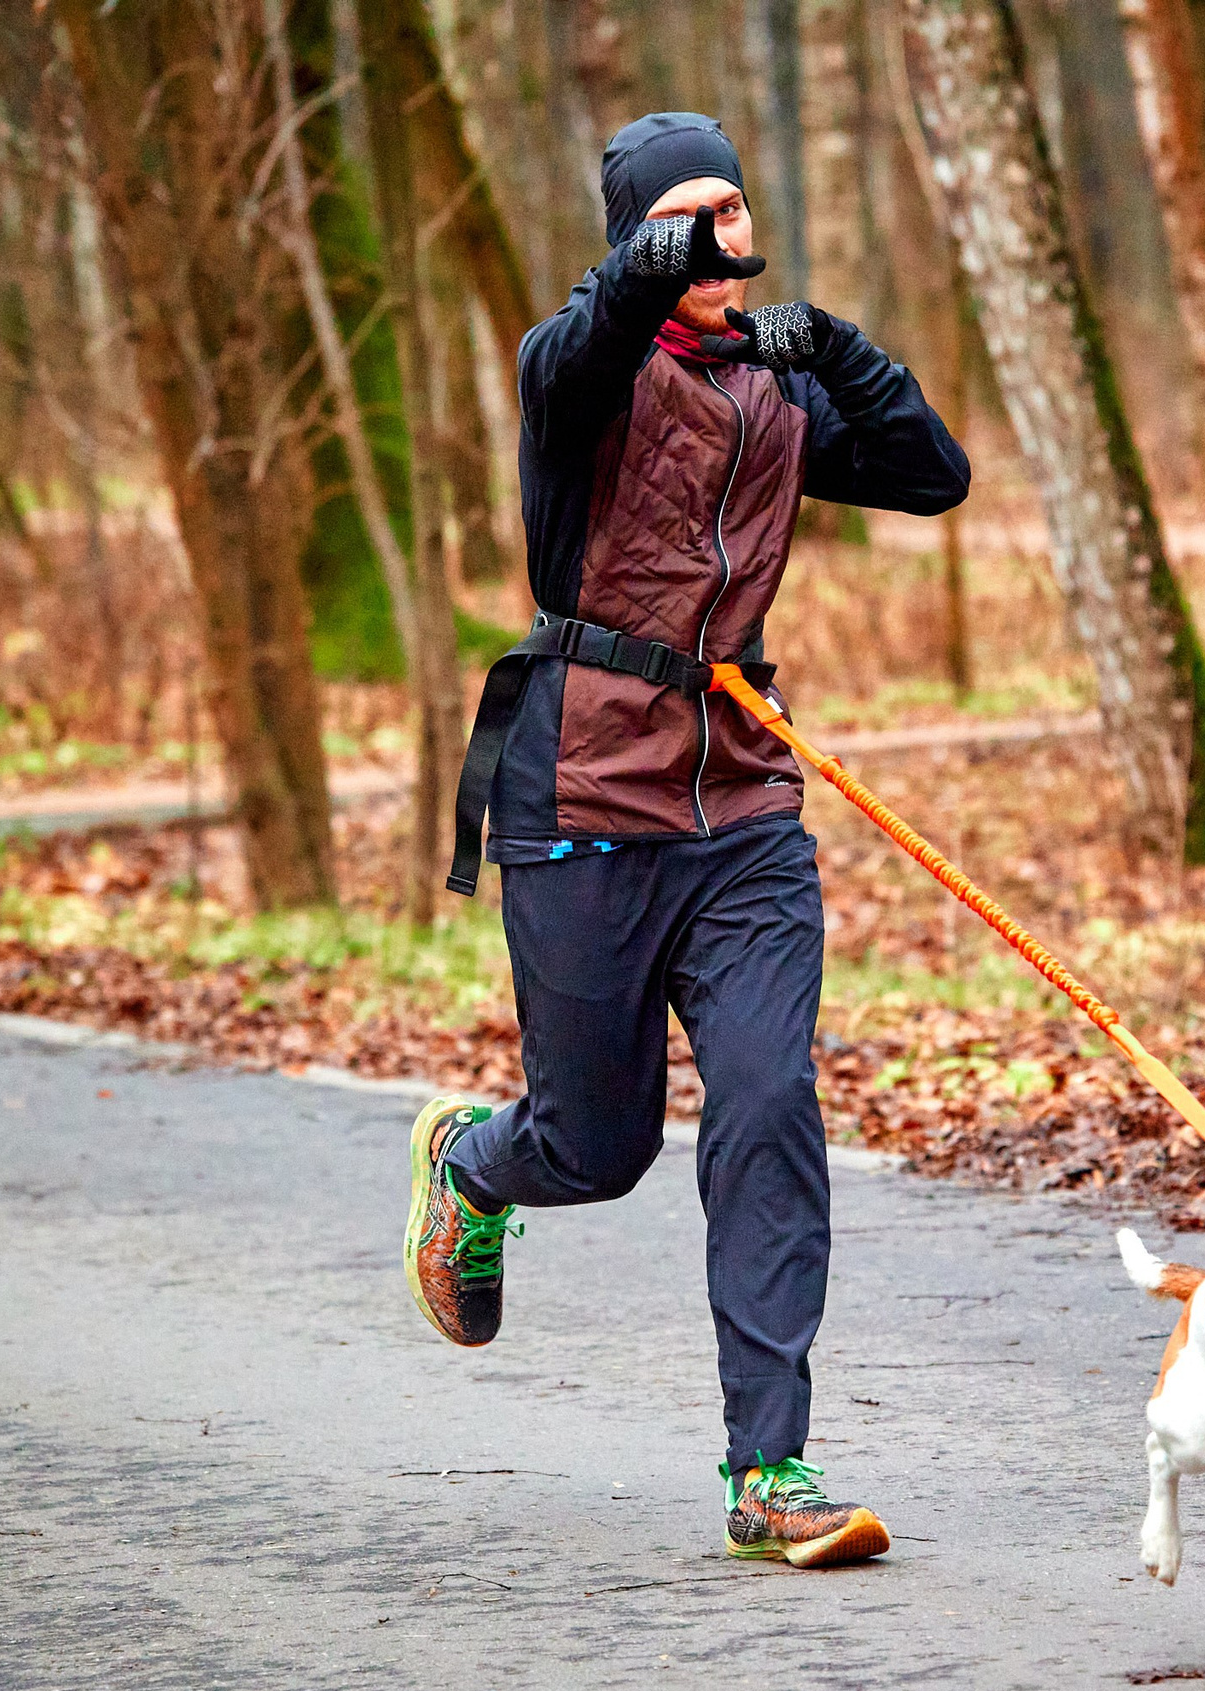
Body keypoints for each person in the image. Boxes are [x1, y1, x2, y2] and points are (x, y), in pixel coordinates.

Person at [402, 112, 969, 1569]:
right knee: (599, 1147)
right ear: (646, 233)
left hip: (744, 803)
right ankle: (477, 1164)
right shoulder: (575, 371)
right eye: (696, 218)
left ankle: (766, 1471)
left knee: (770, 1102)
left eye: (740, 209)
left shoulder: (770, 387)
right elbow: (588, 339)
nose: (731, 241)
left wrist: (830, 344)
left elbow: (931, 474)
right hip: (585, 792)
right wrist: (659, 264)